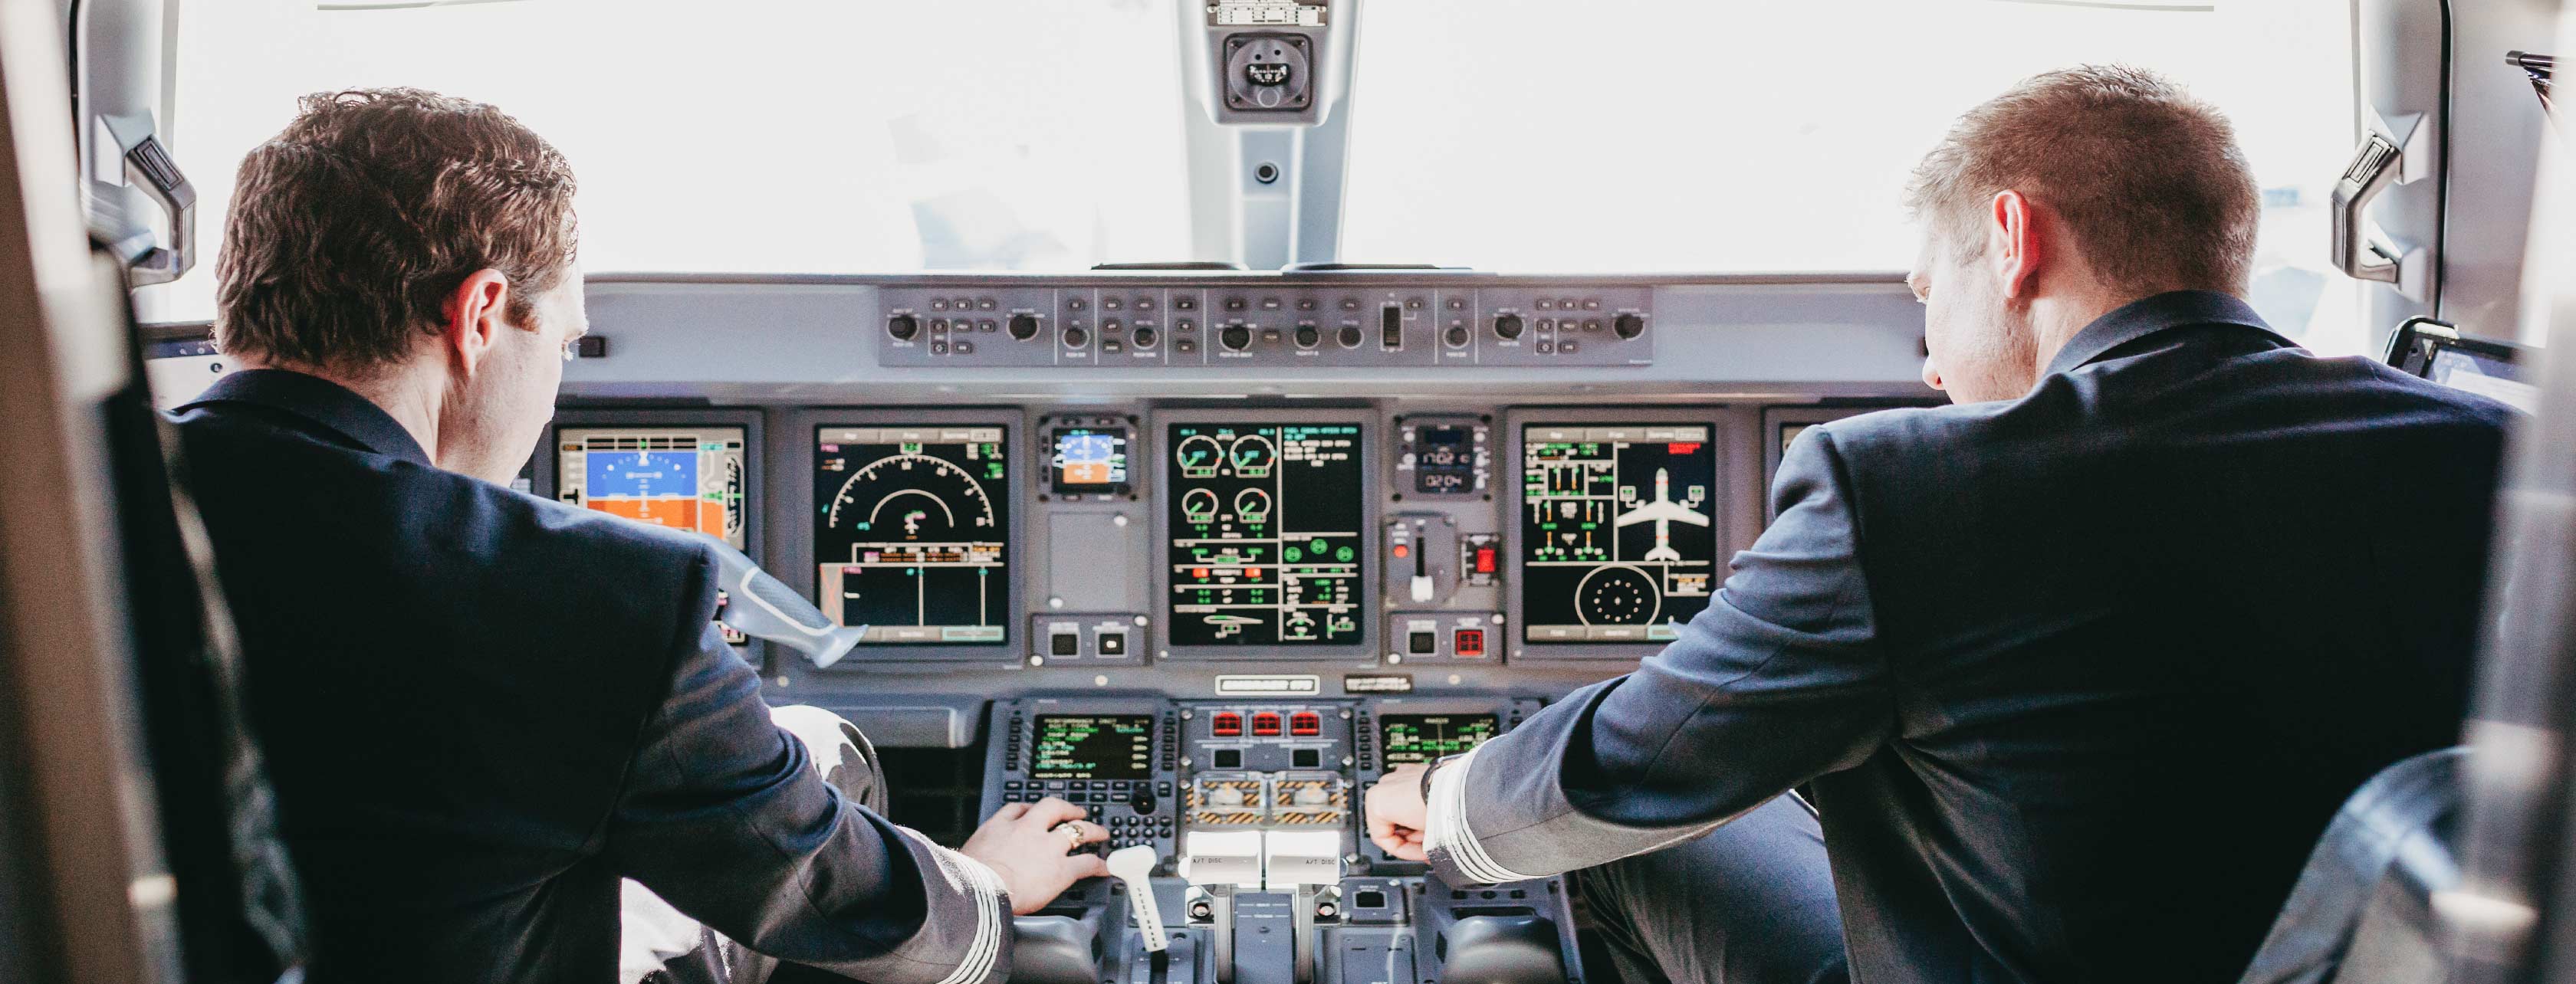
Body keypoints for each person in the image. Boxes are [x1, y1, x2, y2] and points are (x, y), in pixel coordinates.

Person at [1365, 64, 2517, 984]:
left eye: (1928, 292)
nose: (1925, 361)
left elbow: (1643, 760)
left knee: (1635, 833)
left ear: (2013, 241)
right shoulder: (2489, 455)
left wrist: (1440, 795)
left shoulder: (1908, 483)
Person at [171, 87, 1099, 984]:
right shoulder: (589, 596)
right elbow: (821, 887)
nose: (555, 383)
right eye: (566, 345)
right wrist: (995, 888)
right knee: (823, 744)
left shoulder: (79, 520)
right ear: (480, 315)